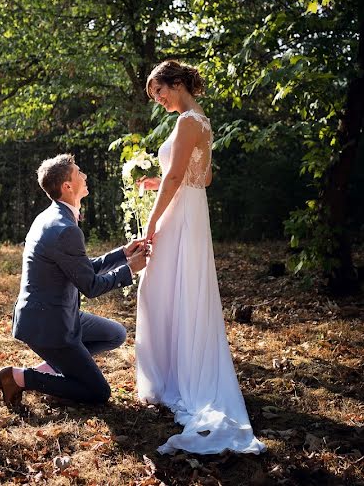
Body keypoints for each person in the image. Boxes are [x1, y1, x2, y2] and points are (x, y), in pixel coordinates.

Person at [135, 60, 266, 454]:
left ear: (176, 83)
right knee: (176, 286)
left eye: (160, 91)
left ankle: (170, 377)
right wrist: (162, 181)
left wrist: (152, 222)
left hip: (180, 216)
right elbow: (202, 177)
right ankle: (173, 370)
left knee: (157, 287)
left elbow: (181, 178)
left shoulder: (187, 121)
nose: (159, 100)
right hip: (192, 210)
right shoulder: (202, 121)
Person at [0, 154, 147, 407]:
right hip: (48, 325)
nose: (85, 176)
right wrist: (130, 269)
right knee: (98, 393)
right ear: (67, 186)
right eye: (79, 173)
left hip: (57, 313)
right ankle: (19, 377)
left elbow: (80, 269)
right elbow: (91, 286)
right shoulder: (64, 228)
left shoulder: (52, 217)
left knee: (115, 334)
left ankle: (55, 369)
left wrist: (122, 254)